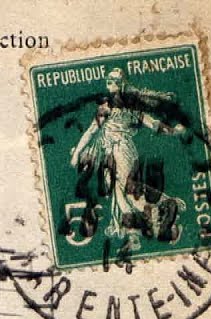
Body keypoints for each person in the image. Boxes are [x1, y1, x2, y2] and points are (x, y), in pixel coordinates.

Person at [69, 68, 188, 249]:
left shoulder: (127, 107)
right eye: (109, 80)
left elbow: (153, 124)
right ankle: (133, 232)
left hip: (122, 150)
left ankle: (165, 206)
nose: (111, 84)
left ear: (122, 84)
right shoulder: (108, 107)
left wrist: (173, 131)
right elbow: (91, 131)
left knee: (129, 190)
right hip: (109, 154)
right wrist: (78, 152)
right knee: (118, 192)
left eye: (115, 81)